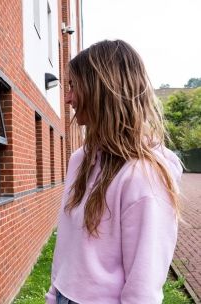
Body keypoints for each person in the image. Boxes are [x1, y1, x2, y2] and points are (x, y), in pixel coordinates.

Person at [46, 40, 182, 304]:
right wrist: (54, 294)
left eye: (73, 86)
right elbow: (69, 243)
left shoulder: (144, 176)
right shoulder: (79, 159)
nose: (67, 98)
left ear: (101, 88)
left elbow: (143, 287)